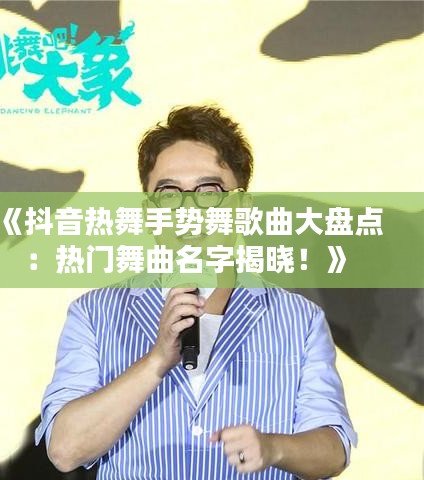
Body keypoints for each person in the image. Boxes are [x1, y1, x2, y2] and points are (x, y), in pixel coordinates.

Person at [35, 105, 357, 479]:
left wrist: (274, 447)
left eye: (208, 191)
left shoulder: (298, 319)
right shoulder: (94, 314)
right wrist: (156, 361)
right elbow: (64, 450)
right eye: (169, 192)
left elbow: (334, 450)